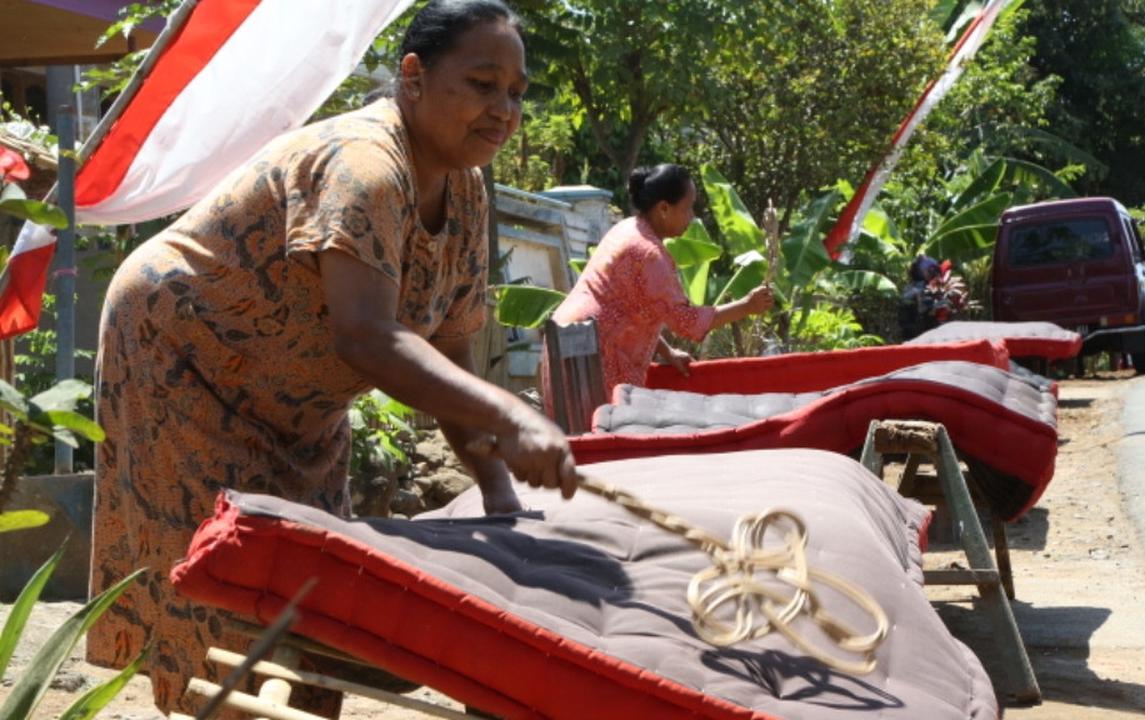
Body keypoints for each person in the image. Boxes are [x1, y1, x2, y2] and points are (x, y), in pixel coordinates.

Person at [87, 1, 576, 715]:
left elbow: (451, 364)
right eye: (481, 84)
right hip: (184, 359)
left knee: (313, 601)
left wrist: (501, 499)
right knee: (229, 596)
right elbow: (367, 338)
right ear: (412, 76)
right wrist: (509, 412)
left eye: (516, 92)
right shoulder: (366, 166)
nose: (503, 108)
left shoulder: (466, 192)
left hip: (299, 404)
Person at [543, 163, 773, 412]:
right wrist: (747, 306)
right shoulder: (651, 255)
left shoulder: (627, 228)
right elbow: (687, 322)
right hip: (594, 356)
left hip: (566, 345)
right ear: (664, 208)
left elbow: (638, 308)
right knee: (600, 442)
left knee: (575, 443)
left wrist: (668, 351)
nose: (692, 217)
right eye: (687, 209)